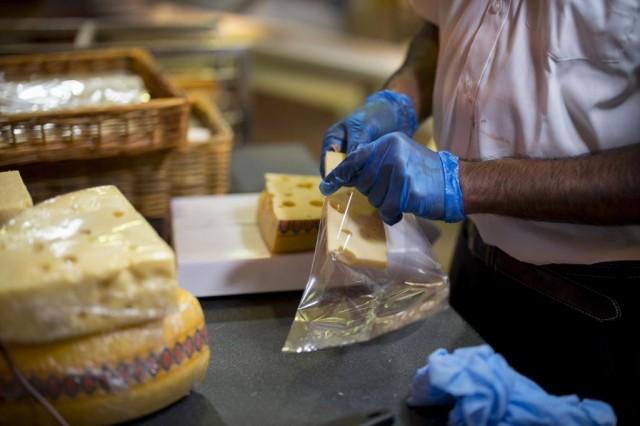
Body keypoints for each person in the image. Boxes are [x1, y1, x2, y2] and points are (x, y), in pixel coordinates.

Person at [319, 1, 640, 424]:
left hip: (594, 316)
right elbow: (438, 28)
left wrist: (462, 183)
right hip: (475, 267)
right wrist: (401, 98)